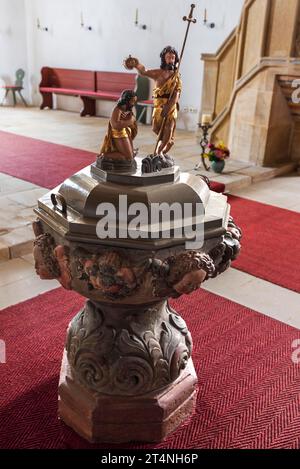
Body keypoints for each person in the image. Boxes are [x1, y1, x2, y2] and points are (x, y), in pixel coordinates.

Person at [125, 46, 182, 155]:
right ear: (164, 58)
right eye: (168, 57)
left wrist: (169, 106)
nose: (171, 59)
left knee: (168, 129)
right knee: (156, 129)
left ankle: (159, 152)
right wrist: (136, 64)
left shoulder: (176, 77)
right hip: (158, 105)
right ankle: (168, 141)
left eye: (173, 57)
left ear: (175, 60)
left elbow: (176, 94)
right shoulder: (158, 73)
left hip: (170, 106)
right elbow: (144, 71)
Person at [100, 89, 138, 161]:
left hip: (125, 132)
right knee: (128, 157)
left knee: (130, 156)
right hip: (118, 134)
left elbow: (131, 120)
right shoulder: (117, 110)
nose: (133, 104)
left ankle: (129, 152)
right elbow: (115, 125)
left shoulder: (127, 109)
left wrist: (130, 120)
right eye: (132, 101)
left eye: (134, 101)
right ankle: (105, 155)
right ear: (126, 100)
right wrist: (130, 120)